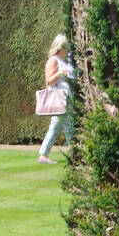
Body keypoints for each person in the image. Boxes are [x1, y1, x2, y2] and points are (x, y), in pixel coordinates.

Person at [37, 33, 75, 163]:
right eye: (66, 47)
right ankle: (74, 154)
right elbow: (49, 81)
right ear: (60, 47)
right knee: (70, 127)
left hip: (68, 99)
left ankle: (43, 154)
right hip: (61, 100)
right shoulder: (53, 60)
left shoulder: (67, 60)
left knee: (55, 128)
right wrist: (59, 73)